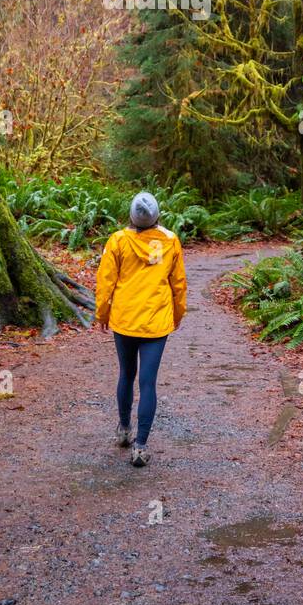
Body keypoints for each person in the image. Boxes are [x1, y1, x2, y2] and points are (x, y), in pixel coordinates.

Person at [95, 191, 187, 467]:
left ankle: (124, 430)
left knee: (126, 373)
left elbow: (105, 280)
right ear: (158, 215)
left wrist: (102, 313)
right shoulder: (170, 241)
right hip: (156, 323)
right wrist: (178, 314)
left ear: (131, 217)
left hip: (124, 319)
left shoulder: (118, 241)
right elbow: (178, 284)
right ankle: (141, 446)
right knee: (147, 382)